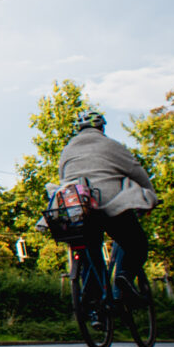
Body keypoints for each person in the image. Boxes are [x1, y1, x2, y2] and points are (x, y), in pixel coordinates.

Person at [57, 111, 158, 300]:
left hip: (78, 208)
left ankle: (96, 306)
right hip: (112, 205)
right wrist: (150, 196)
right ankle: (125, 277)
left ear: (79, 129)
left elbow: (63, 178)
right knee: (136, 244)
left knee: (89, 250)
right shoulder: (111, 145)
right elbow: (137, 172)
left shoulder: (67, 150)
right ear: (101, 127)